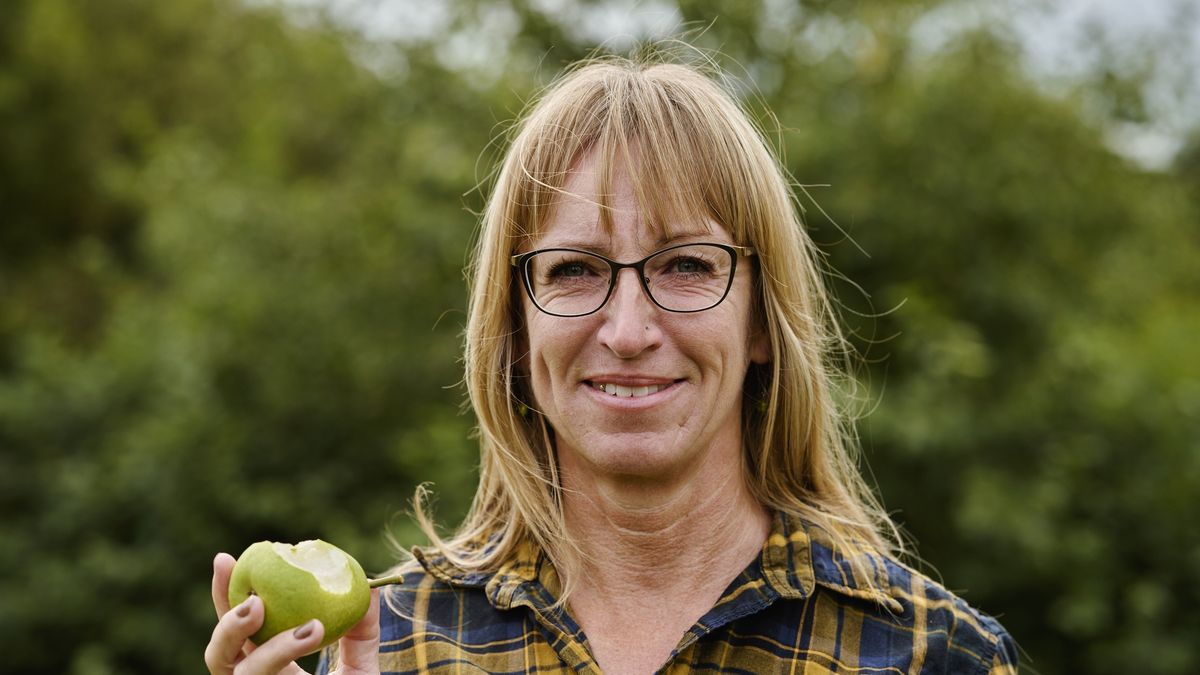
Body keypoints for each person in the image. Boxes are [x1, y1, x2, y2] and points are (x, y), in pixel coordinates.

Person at [206, 54, 1018, 675]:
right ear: (517, 333)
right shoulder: (389, 650)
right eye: (575, 270)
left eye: (687, 266)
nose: (628, 329)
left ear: (765, 319)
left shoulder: (933, 654)